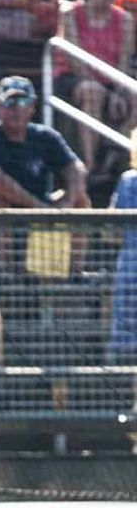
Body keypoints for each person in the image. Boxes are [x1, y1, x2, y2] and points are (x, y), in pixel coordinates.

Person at [55, 0, 136, 177]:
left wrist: (118, 92)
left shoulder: (125, 19)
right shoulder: (70, 14)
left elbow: (124, 62)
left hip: (111, 80)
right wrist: (105, 92)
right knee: (93, 92)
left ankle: (115, 147)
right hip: (73, 78)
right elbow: (76, 61)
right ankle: (90, 167)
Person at [0, 75, 88, 210]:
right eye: (9, 103)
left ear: (32, 106)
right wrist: (38, 208)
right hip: (7, 213)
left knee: (80, 199)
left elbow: (76, 168)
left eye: (23, 102)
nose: (16, 109)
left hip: (40, 208)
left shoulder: (45, 136)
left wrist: (68, 201)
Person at [109, 128, 137, 359]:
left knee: (128, 347)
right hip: (130, 267)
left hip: (130, 266)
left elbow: (112, 233)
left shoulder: (129, 181)